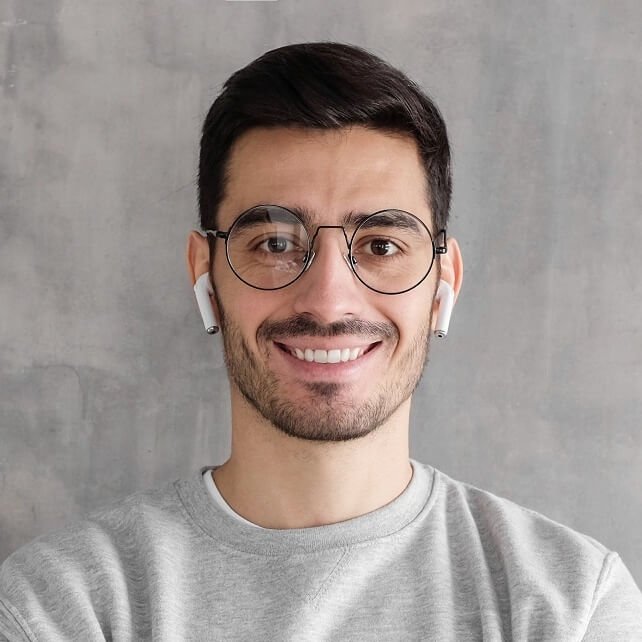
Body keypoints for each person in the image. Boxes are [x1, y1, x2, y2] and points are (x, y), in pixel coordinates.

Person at [1, 41, 641, 641]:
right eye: (275, 243)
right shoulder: (61, 607)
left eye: (382, 245)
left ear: (443, 281)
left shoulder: (572, 607)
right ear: (205, 274)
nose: (329, 301)